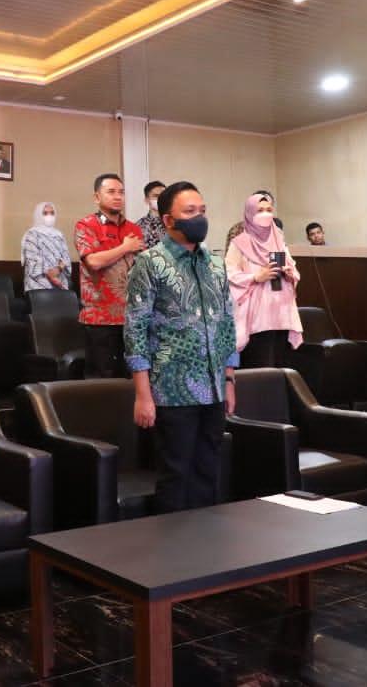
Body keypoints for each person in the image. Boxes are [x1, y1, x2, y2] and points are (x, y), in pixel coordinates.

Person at [125, 181, 237, 513]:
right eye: (190, 211)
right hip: (171, 388)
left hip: (214, 387)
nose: (199, 217)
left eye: (202, 211)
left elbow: (227, 322)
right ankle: (173, 544)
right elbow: (135, 329)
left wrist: (229, 379)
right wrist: (143, 394)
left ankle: (206, 539)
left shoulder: (215, 263)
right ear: (168, 220)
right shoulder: (150, 262)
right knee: (175, 475)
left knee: (208, 471)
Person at [75, 173, 144, 378]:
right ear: (97, 197)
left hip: (131, 316)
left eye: (121, 192)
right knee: (102, 379)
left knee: (131, 376)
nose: (118, 197)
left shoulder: (133, 228)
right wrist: (125, 247)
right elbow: (94, 262)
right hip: (100, 318)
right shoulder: (86, 225)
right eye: (111, 192)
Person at [227, 192, 303, 368]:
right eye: (260, 210)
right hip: (257, 315)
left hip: (281, 311)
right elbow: (229, 274)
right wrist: (255, 277)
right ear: (249, 213)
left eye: (269, 210)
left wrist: (289, 272)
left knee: (280, 364)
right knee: (261, 362)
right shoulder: (240, 243)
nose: (266, 214)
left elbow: (293, 269)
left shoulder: (278, 240)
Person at [21, 201, 72, 292]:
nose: (49, 216)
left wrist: (59, 269)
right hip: (38, 284)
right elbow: (33, 259)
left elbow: (66, 258)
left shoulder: (59, 234)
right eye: (45, 213)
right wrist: (50, 275)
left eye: (52, 213)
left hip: (59, 281)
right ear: (38, 215)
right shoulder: (32, 234)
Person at [135, 180, 167, 249]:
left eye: (163, 196)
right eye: (156, 196)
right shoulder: (139, 226)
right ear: (147, 200)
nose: (160, 199)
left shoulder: (175, 221)